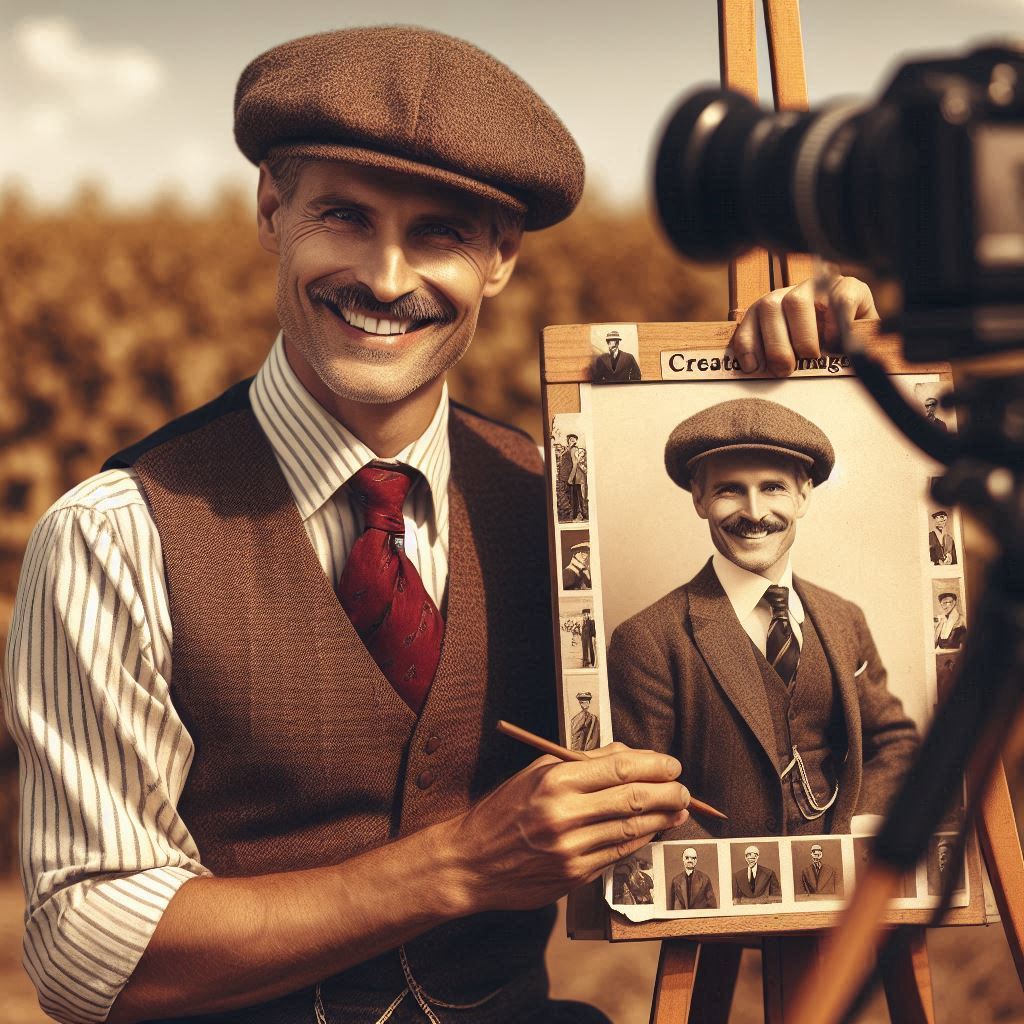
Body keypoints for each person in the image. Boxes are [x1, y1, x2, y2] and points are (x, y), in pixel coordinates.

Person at [3, 25, 872, 1024]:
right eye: (344, 215)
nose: (383, 277)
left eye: (440, 234)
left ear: (500, 259)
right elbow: (84, 952)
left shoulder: (562, 503)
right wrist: (455, 865)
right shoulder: (117, 536)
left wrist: (829, 369)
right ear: (271, 210)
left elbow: (740, 717)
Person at [609, 398, 920, 840]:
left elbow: (895, 744)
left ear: (803, 494)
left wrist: (857, 831)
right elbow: (641, 795)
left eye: (772, 487)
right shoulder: (649, 639)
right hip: (724, 898)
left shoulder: (843, 618)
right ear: (699, 497)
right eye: (729, 490)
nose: (754, 512)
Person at [564, 433, 588, 521]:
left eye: (574, 440)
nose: (572, 441)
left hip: (576, 475)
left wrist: (570, 478)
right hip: (576, 475)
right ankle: (578, 514)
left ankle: (580, 514)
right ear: (568, 440)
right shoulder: (569, 449)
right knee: (576, 495)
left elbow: (575, 464)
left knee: (578, 495)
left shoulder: (574, 449)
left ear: (576, 441)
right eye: (571, 439)